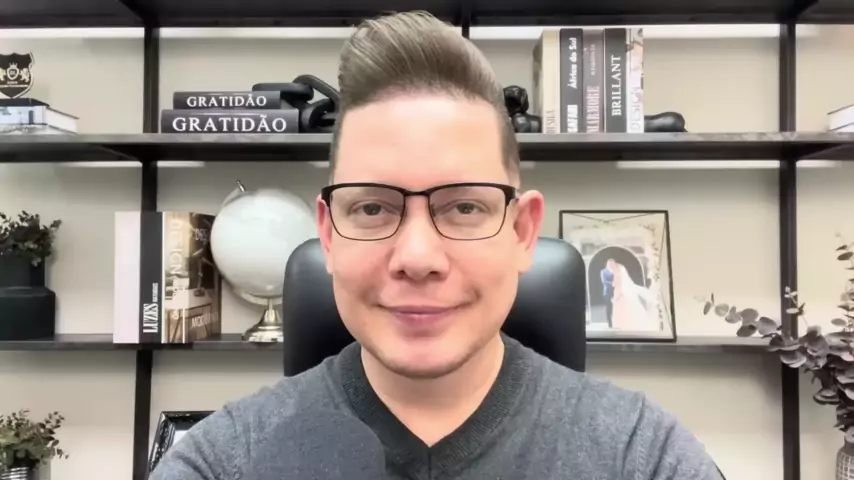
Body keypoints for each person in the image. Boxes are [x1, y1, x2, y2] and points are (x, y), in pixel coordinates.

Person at [150, 11, 722, 480]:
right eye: (372, 208)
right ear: (327, 235)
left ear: (522, 232)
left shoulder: (644, 458)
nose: (418, 258)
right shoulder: (222, 463)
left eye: (465, 207)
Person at [611, 261, 660, 332]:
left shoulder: (617, 275)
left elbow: (618, 286)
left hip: (622, 295)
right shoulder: (619, 275)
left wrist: (615, 299)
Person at [600, 258, 616, 327]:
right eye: (610, 263)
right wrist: (612, 283)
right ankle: (610, 323)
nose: (611, 265)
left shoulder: (616, 271)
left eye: (612, 263)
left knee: (616, 307)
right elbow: (604, 281)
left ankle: (616, 321)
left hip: (616, 291)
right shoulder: (603, 271)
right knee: (609, 307)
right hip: (607, 291)